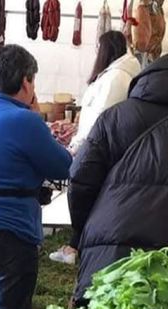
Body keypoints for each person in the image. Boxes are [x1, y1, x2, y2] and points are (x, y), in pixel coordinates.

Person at [68, 52, 168, 308]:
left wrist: (82, 233)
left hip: (108, 252)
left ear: (143, 80)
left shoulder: (114, 117)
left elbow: (80, 178)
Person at [0, 44, 72, 309]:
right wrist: (36, 115)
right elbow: (64, 166)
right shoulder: (24, 120)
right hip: (10, 231)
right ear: (26, 81)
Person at [49, 30, 141, 266]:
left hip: (98, 150)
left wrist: (78, 146)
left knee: (83, 195)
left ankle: (78, 247)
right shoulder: (122, 74)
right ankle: (76, 246)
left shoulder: (116, 78)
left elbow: (99, 118)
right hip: (107, 149)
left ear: (106, 49)